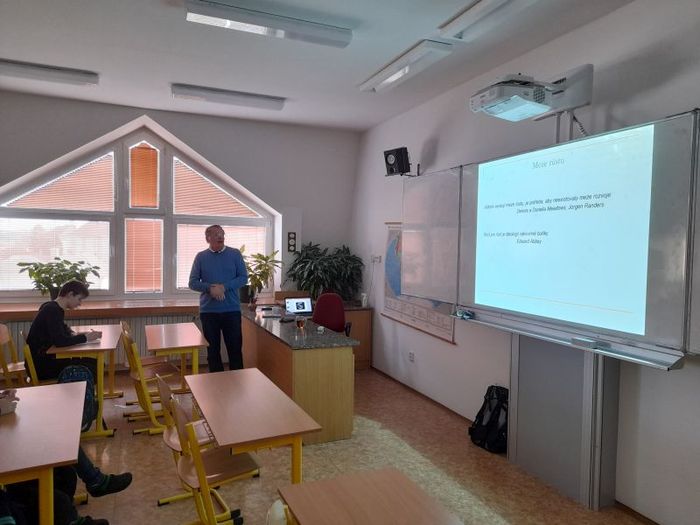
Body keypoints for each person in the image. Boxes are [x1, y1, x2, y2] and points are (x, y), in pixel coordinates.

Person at [25, 280, 132, 499]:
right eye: (79, 299)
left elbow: (60, 333)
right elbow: (60, 341)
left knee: (92, 364)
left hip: (43, 359)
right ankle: (83, 412)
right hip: (43, 364)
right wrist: (85, 338)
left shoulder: (51, 307)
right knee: (90, 366)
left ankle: (87, 407)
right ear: (70, 294)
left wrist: (75, 335)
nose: (80, 304)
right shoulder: (53, 310)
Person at [189, 225, 248, 372]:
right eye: (216, 234)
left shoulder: (235, 254)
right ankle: (216, 383)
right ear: (207, 238)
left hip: (231, 310)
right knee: (213, 352)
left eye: (222, 234)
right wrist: (210, 288)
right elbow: (192, 282)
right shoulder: (201, 257)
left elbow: (243, 278)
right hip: (209, 312)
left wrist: (223, 287)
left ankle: (238, 382)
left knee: (235, 350)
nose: (220, 236)